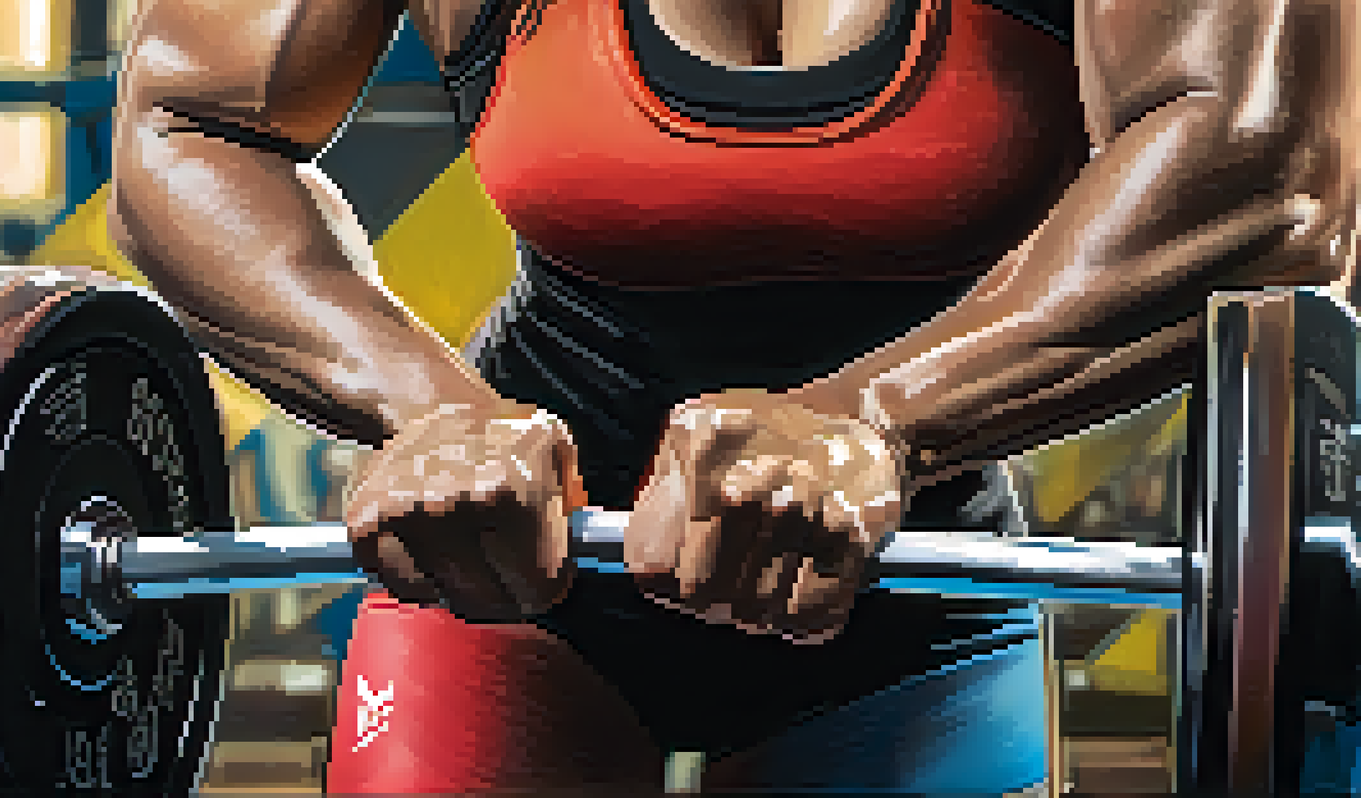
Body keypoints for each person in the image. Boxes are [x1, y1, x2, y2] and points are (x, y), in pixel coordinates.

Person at [109, 0, 1356, 791]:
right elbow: (191, 123)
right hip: (520, 580)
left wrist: (880, 425)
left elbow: (1269, 181)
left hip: (921, 587)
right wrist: (424, 408)